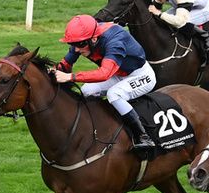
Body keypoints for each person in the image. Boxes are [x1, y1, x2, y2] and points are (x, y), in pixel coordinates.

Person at [53, 14, 158, 152]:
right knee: (86, 91)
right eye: (72, 44)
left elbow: (104, 74)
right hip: (118, 74)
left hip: (141, 75)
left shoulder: (115, 41)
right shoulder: (83, 40)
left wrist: (71, 77)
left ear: (94, 39)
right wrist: (54, 72)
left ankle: (143, 136)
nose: (76, 49)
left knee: (114, 94)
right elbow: (65, 64)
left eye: (79, 45)